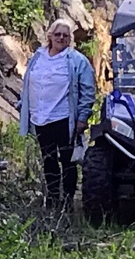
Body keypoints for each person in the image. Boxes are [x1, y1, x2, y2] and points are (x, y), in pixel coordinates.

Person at [23, 18, 97, 215]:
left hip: (64, 118)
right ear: (50, 36)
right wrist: (24, 106)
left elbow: (88, 91)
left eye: (65, 35)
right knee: (48, 159)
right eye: (57, 34)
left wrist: (83, 117)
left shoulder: (77, 60)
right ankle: (53, 197)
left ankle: (68, 200)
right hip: (41, 118)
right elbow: (29, 83)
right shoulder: (38, 57)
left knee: (67, 160)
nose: (61, 38)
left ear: (70, 38)